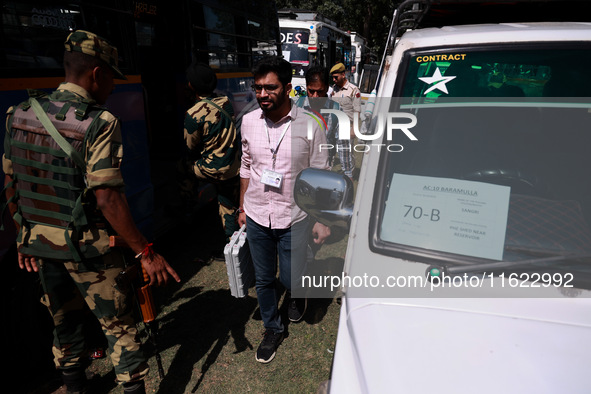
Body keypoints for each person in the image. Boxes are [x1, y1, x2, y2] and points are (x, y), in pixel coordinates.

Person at [2, 30, 180, 394]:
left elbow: (12, 180)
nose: (114, 85)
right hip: (89, 249)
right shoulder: (100, 121)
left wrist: (24, 235)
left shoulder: (17, 113)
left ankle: (74, 387)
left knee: (63, 322)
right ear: (96, 74)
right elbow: (107, 199)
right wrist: (145, 252)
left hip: (41, 245)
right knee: (119, 327)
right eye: (112, 76)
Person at [237, 56, 331, 364]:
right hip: (257, 214)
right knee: (264, 280)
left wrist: (320, 220)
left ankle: (297, 293)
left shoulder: (310, 125)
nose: (262, 95)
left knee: (292, 277)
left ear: (288, 88)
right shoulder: (249, 121)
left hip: (295, 217)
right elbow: (246, 168)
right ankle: (272, 328)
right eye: (258, 88)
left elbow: (320, 176)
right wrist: (241, 206)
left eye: (270, 88)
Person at [184, 62, 241, 247]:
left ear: (191, 86)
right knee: (227, 204)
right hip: (234, 166)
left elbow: (189, 146)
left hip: (213, 168)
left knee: (183, 168)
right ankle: (234, 244)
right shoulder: (226, 102)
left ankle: (187, 206)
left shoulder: (193, 113)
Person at [296, 66, 355, 176]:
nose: (315, 96)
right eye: (311, 91)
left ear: (327, 88)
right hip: (297, 170)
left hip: (322, 172)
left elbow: (343, 146)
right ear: (306, 87)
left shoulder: (336, 112)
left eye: (320, 91)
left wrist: (348, 174)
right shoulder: (296, 107)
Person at [329, 62, 361, 179]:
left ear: (343, 75)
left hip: (347, 126)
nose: (334, 79)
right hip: (333, 125)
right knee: (331, 150)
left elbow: (357, 110)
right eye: (332, 77)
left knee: (347, 153)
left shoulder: (353, 90)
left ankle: (350, 177)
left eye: (336, 77)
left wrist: (354, 129)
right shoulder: (333, 89)